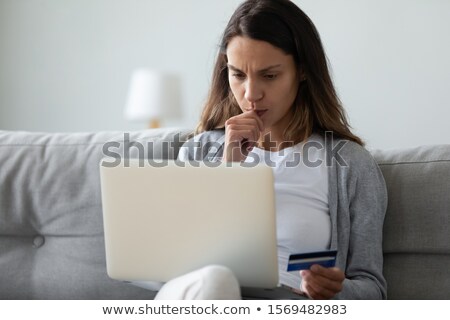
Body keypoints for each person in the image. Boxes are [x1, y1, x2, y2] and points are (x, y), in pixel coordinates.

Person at [155, 0, 387, 300]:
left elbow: (374, 289)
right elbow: (171, 265)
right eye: (238, 74)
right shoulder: (197, 152)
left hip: (285, 302)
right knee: (215, 281)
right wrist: (229, 169)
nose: (251, 94)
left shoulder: (349, 165)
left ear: (302, 71)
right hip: (202, 295)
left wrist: (335, 290)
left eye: (269, 75)